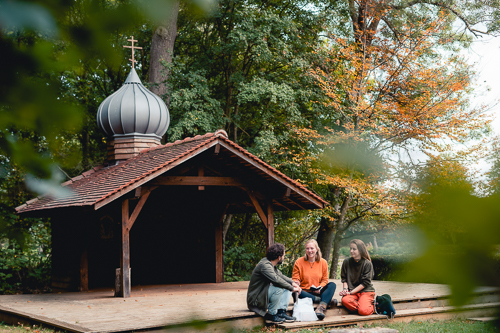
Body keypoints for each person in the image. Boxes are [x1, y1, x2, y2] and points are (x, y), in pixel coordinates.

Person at [247, 243, 302, 324]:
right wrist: (292, 288)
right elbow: (276, 279)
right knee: (279, 288)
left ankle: (281, 311)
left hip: (262, 294)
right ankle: (272, 314)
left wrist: (293, 283)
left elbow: (281, 276)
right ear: (279, 257)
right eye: (283, 255)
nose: (284, 257)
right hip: (255, 300)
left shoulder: (271, 264)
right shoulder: (265, 265)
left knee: (286, 286)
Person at [292, 239, 337, 320]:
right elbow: (295, 278)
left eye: (312, 248)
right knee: (295, 291)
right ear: (305, 250)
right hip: (305, 292)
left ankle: (320, 308)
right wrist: (296, 282)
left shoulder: (323, 262)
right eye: (307, 248)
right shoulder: (299, 262)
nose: (310, 251)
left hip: (319, 291)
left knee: (332, 285)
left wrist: (320, 287)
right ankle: (325, 300)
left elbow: (325, 280)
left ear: (317, 249)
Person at [339, 239, 375, 316]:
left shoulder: (367, 263)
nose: (351, 251)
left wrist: (351, 292)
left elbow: (365, 283)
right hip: (353, 292)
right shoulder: (346, 262)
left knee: (363, 311)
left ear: (360, 250)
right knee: (345, 300)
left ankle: (375, 306)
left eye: (354, 249)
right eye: (350, 248)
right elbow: (344, 279)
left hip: (365, 291)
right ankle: (362, 306)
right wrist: (345, 290)